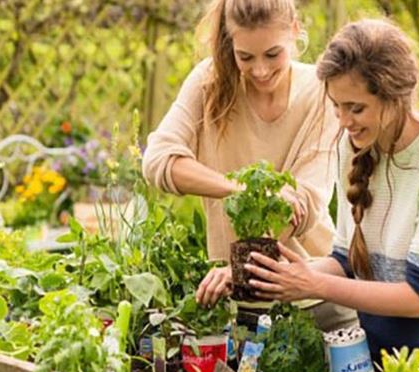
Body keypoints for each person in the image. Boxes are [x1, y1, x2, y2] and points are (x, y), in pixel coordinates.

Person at [244, 18, 419, 372]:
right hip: (379, 360)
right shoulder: (356, 146)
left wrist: (313, 284)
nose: (343, 121)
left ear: (395, 97)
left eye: (355, 107)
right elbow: (345, 260)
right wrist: (285, 274)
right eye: (337, 107)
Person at [141, 0, 357, 331]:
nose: (260, 70)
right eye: (245, 57)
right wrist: (239, 189)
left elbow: (306, 205)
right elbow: (157, 160)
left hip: (315, 299)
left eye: (273, 54)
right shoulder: (208, 83)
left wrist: (241, 267)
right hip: (235, 304)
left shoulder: (320, 92)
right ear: (230, 44)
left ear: (295, 32)